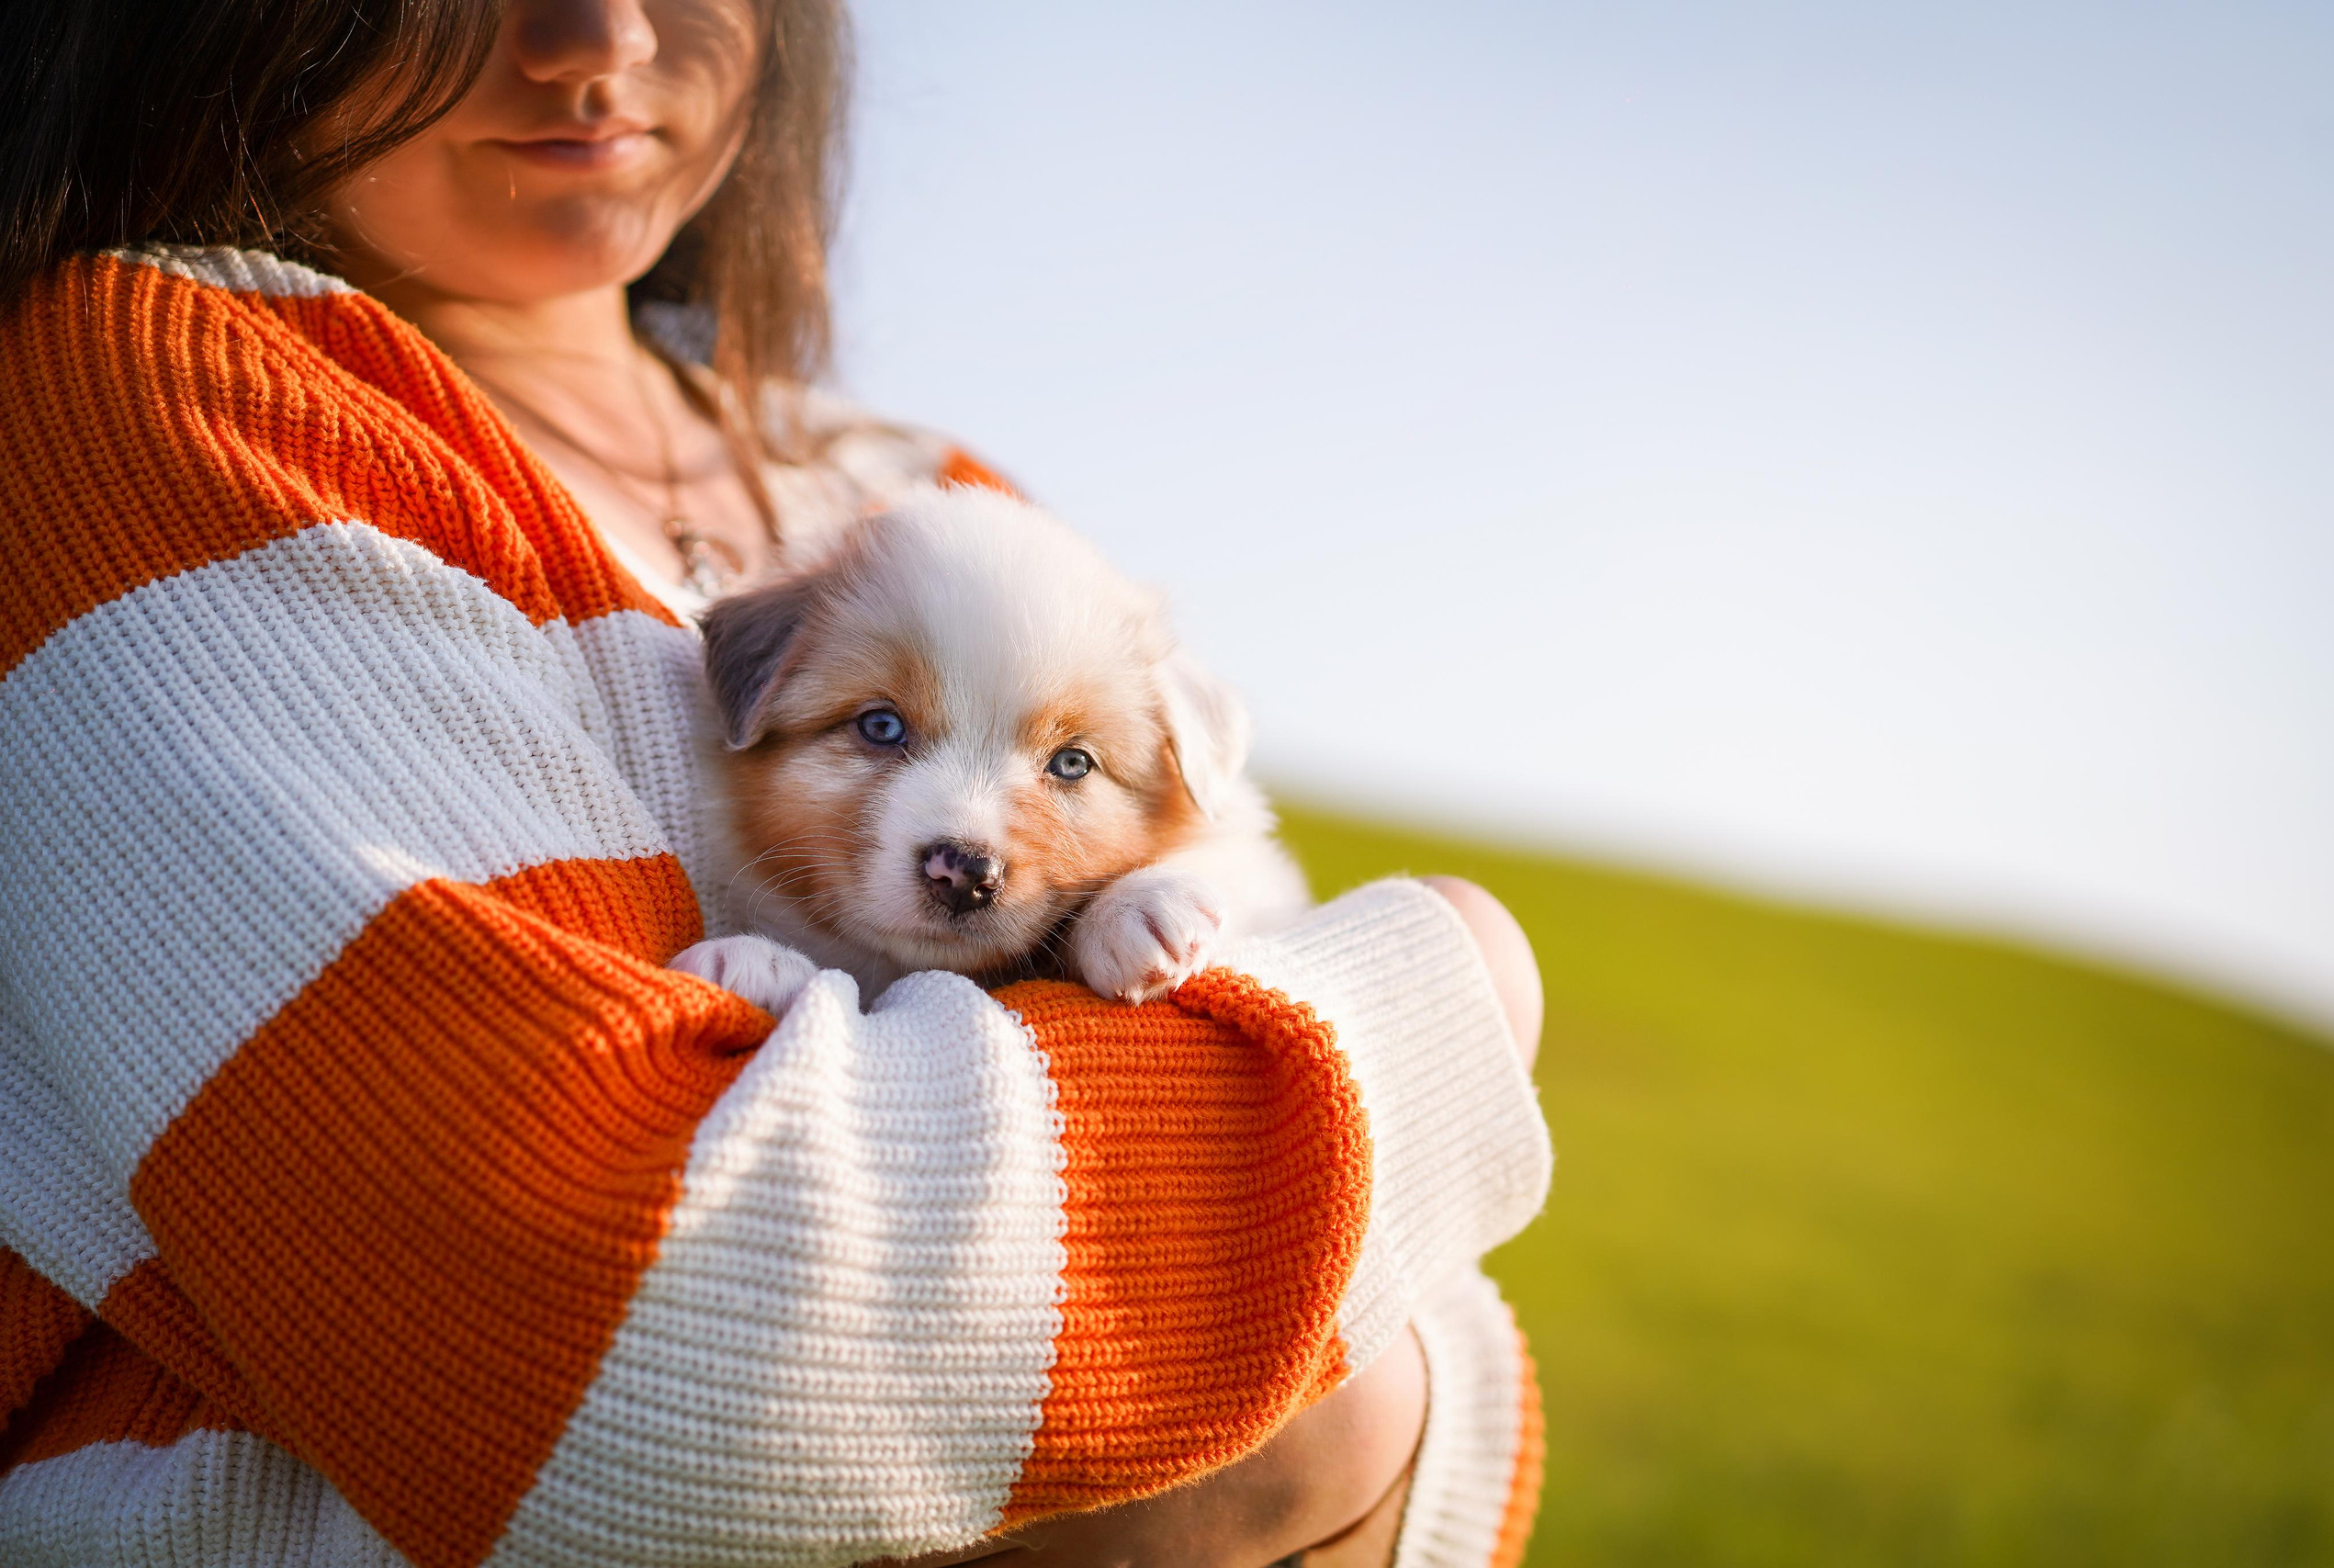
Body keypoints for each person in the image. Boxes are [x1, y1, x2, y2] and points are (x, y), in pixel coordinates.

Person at [0, 2, 1551, 1564]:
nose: (596, 36)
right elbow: (622, 1343)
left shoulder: (921, 488)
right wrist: (1442, 1002)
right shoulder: (164, 400)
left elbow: (1437, 1358)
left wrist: (1340, 1375)